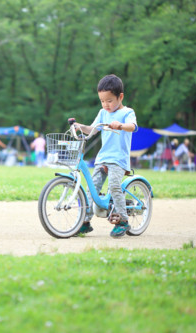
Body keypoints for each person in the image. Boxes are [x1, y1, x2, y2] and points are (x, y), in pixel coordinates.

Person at [72, 74, 138, 238]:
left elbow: (133, 126)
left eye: (109, 100)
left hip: (118, 160)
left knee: (114, 186)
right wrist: (80, 126)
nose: (106, 104)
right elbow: (92, 130)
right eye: (102, 101)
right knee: (91, 189)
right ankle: (85, 222)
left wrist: (121, 125)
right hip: (102, 158)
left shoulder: (127, 113)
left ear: (120, 97)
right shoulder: (103, 113)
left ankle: (122, 220)